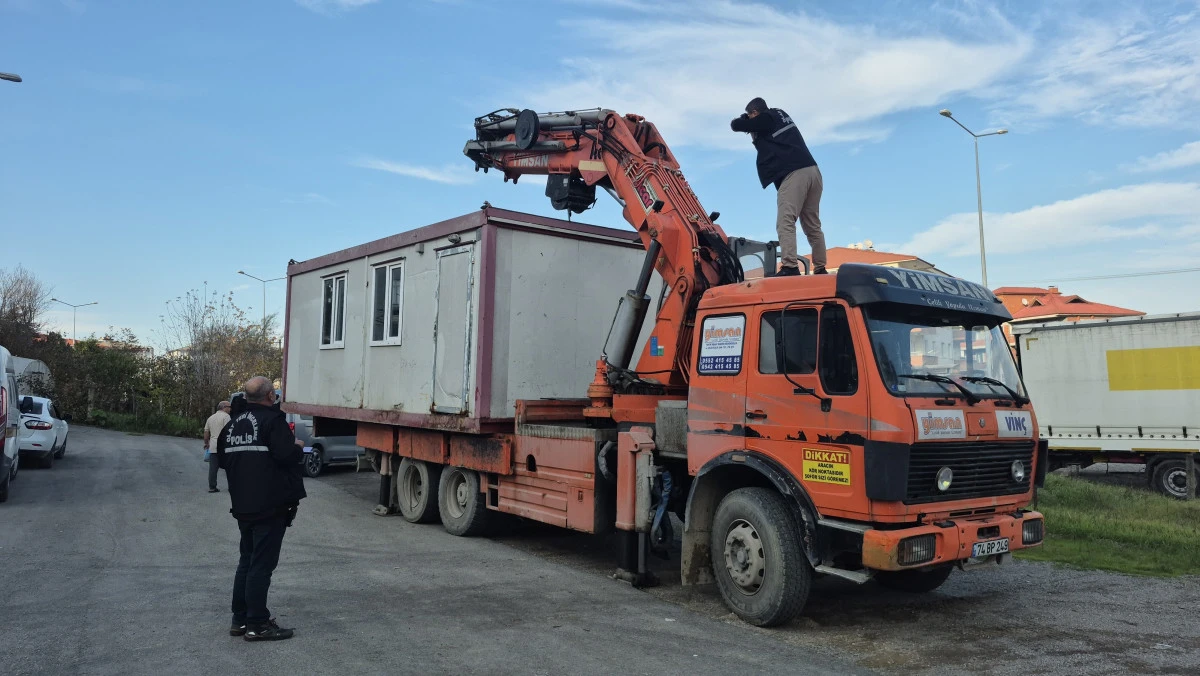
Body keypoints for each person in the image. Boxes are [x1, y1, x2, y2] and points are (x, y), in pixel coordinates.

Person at [216, 376, 306, 641]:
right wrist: (297, 447)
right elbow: (286, 455)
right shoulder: (272, 421)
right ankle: (257, 624)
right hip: (270, 505)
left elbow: (222, 460)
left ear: (245, 397)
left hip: (242, 505)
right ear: (270, 396)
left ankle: (240, 620)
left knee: (247, 560)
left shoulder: (232, 424)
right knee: (261, 565)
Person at [731, 97, 826, 276]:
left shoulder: (766, 118)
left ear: (754, 113)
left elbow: (736, 125)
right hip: (813, 172)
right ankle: (821, 268)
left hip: (794, 173)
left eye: (750, 116)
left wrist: (744, 120)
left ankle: (790, 266)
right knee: (812, 225)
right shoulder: (779, 114)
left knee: (785, 221)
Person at [202, 401, 231, 493]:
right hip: (224, 446)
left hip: (213, 446)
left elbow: (206, 433)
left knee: (213, 468)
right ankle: (231, 486)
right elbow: (229, 431)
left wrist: (206, 443)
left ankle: (212, 487)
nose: (230, 409)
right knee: (229, 467)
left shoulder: (210, 418)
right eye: (229, 407)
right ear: (224, 407)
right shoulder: (226, 417)